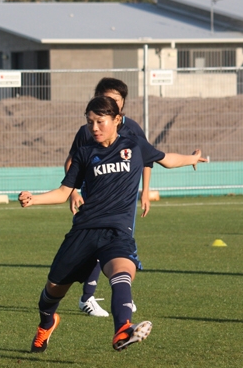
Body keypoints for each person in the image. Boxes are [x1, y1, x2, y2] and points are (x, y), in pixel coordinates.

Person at [20, 96, 206, 353]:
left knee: (123, 272)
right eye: (90, 122)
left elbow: (166, 159)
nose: (94, 128)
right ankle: (46, 324)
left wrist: (191, 159)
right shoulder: (86, 153)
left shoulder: (135, 145)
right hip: (84, 231)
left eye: (100, 121)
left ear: (117, 120)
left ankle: (122, 329)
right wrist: (34, 199)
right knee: (53, 291)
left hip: (117, 232)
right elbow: (64, 191)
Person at [65, 78, 148, 317]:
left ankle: (120, 297)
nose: (113, 102)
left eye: (117, 99)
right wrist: (73, 191)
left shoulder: (132, 129)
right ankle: (88, 297)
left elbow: (149, 158)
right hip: (95, 202)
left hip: (123, 203)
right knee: (97, 248)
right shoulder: (87, 131)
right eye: (108, 98)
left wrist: (146, 191)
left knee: (118, 249)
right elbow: (72, 161)